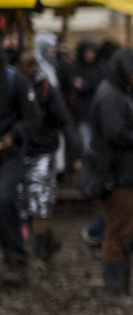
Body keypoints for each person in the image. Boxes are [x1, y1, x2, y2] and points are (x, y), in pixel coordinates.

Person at [91, 49, 133, 299]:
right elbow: (114, 134)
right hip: (119, 176)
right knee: (118, 232)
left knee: (123, 231)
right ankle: (114, 289)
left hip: (125, 173)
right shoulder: (111, 96)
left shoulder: (116, 92)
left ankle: (119, 287)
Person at [13, 47, 81, 268]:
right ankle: (48, 240)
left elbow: (65, 119)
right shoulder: (10, 88)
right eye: (28, 64)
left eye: (35, 63)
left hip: (42, 151)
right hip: (17, 152)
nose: (33, 68)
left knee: (39, 200)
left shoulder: (45, 89)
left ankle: (39, 252)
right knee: (21, 202)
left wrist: (76, 150)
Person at [0, 51, 41, 286]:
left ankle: (16, 258)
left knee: (5, 199)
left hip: (10, 153)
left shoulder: (15, 80)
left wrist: (12, 136)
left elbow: (32, 118)